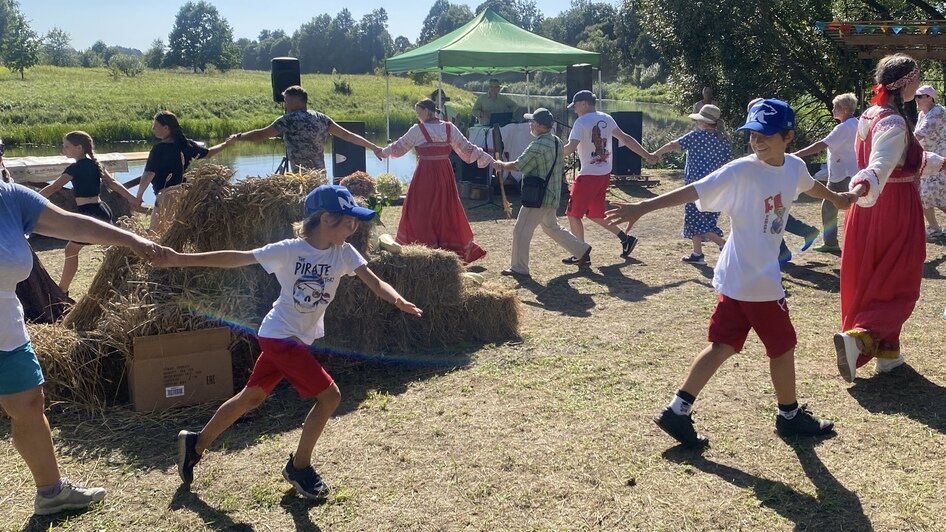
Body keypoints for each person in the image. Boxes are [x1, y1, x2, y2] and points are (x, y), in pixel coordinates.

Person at [605, 99, 853, 447]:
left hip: (738, 278)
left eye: (765, 135)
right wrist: (643, 206)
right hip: (756, 280)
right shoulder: (741, 170)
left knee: (722, 346)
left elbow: (814, 187)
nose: (757, 141)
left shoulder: (794, 167)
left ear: (788, 136)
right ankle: (789, 416)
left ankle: (677, 411)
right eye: (752, 134)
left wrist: (842, 199)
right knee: (782, 347)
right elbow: (694, 190)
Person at [166, 184, 422, 499]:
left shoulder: (344, 252)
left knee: (252, 397)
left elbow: (374, 281)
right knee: (330, 397)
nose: (354, 226)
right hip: (279, 335)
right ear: (326, 218)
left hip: (296, 338)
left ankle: (196, 444)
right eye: (349, 220)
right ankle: (299, 467)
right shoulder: (289, 249)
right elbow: (238, 258)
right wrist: (182, 259)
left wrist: (398, 301)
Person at [1, 175, 164, 515]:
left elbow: (71, 223)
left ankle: (51, 492)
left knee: (29, 404)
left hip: (6, 331)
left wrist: (130, 239)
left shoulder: (10, 197)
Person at [834, 54, 946, 381]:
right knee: (901, 281)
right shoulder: (895, 122)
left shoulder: (872, 113)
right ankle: (861, 338)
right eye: (918, 77)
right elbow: (882, 163)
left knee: (874, 276)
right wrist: (863, 184)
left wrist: (938, 162)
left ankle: (888, 353)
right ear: (908, 81)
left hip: (869, 208)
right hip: (893, 204)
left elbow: (901, 159)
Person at [380, 99, 493, 263]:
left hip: (425, 173)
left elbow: (399, 147)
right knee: (445, 207)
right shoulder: (448, 127)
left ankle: (422, 247)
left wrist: (381, 152)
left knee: (421, 208)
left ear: (428, 111)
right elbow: (466, 147)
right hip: (444, 172)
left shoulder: (418, 130)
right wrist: (486, 157)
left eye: (419, 112)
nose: (418, 116)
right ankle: (446, 248)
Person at [39, 131, 142, 293]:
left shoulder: (74, 168)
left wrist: (31, 199)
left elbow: (54, 187)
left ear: (79, 148)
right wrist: (132, 198)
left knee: (71, 250)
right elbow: (113, 183)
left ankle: (63, 290)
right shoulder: (96, 164)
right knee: (110, 245)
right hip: (102, 210)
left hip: (89, 213)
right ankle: (124, 274)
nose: (63, 149)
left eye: (67, 146)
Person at [491, 108, 590, 278]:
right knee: (551, 228)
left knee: (521, 231)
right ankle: (581, 250)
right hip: (551, 195)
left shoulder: (538, 145)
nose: (530, 124)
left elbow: (519, 165)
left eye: (532, 122)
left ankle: (519, 268)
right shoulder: (557, 141)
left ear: (537, 125)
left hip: (538, 197)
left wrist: (501, 165)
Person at [562, 90, 656, 264]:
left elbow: (570, 147)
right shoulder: (606, 118)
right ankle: (626, 239)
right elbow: (626, 139)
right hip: (604, 173)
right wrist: (647, 155)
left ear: (584, 104)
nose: (574, 110)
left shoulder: (581, 122)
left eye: (575, 106)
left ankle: (581, 253)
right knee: (594, 213)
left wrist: (552, 152)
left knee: (573, 214)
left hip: (588, 175)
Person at [229, 85, 382, 173]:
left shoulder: (288, 120)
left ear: (295, 101)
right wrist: (373, 147)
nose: (285, 104)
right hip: (319, 176)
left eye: (286, 100)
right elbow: (347, 135)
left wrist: (238, 137)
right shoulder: (322, 118)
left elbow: (260, 135)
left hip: (300, 178)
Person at [744, 98, 820, 264]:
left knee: (772, 215)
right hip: (769, 181)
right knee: (773, 214)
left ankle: (786, 248)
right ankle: (785, 249)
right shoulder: (760, 131)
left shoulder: (775, 131)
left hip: (774, 180)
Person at [652, 104, 731, 264]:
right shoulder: (724, 140)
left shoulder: (696, 136)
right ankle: (697, 254)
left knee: (694, 219)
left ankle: (724, 245)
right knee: (705, 219)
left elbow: (673, 145)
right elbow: (728, 162)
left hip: (695, 187)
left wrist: (656, 153)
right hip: (716, 185)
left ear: (703, 123)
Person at [136, 111, 231, 233]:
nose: (153, 128)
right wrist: (226, 144)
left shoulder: (159, 149)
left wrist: (138, 196)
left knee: (155, 233)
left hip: (167, 195)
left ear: (166, 128)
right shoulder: (186, 144)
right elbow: (208, 153)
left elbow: (149, 174)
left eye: (156, 125)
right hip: (185, 194)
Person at [793, 93, 859, 253]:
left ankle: (831, 243)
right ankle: (847, 242)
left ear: (844, 109)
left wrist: (797, 154)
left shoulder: (843, 127)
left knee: (829, 208)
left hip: (842, 174)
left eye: (835, 107)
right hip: (851, 172)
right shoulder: (856, 123)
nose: (833, 110)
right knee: (854, 208)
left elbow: (822, 144)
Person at [912, 85, 946, 238]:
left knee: (930, 193)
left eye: (920, 96)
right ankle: (934, 228)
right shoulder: (922, 114)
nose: (916, 99)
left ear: (929, 97)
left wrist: (900, 143)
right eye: (916, 96)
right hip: (928, 160)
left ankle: (934, 228)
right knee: (927, 194)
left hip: (940, 160)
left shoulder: (937, 112)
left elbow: (920, 134)